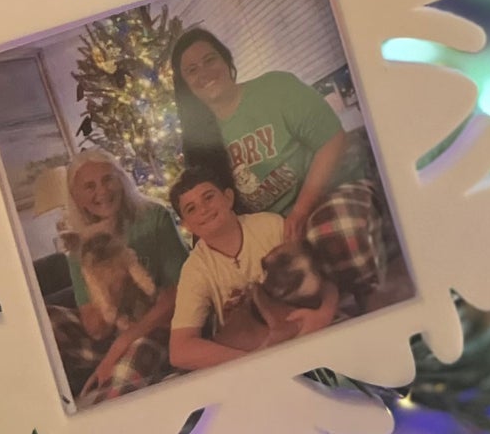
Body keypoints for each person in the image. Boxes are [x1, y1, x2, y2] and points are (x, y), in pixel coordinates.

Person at [171, 26, 388, 307]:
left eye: (210, 59)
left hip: (326, 194)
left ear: (226, 59)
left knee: (331, 233)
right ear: (186, 85)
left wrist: (300, 210)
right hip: (269, 228)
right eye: (192, 69)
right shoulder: (199, 141)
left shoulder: (276, 88)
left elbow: (332, 139)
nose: (204, 72)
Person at [167, 168, 337, 371]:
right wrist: (254, 360)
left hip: (300, 329)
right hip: (250, 349)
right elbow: (180, 351)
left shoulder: (269, 226)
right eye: (191, 208)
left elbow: (321, 276)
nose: (203, 209)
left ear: (228, 198)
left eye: (208, 197)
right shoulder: (195, 269)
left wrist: (324, 314)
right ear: (186, 225)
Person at [49, 152, 186, 403]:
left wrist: (121, 345)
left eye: (108, 180)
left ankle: (111, 397)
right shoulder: (80, 243)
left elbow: (179, 293)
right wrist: (106, 281)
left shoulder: (153, 217)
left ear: (121, 181)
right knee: (48, 322)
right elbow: (96, 330)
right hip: (113, 332)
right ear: (77, 197)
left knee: (127, 366)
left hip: (158, 325)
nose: (102, 191)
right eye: (89, 186)